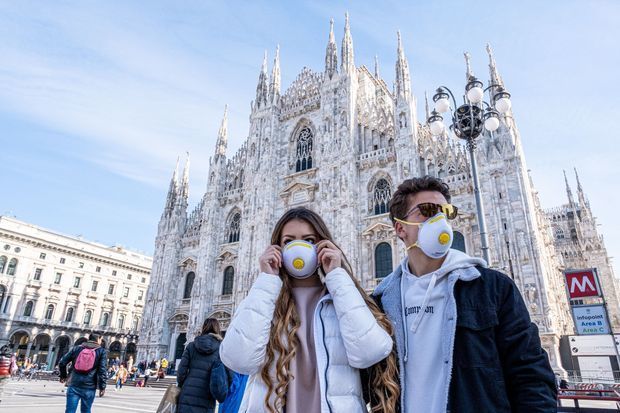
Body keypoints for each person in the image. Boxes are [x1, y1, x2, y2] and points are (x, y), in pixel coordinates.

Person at [372, 176, 557, 412]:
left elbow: (531, 374)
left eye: (446, 212)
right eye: (427, 211)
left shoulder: (493, 288)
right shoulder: (382, 300)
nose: (439, 220)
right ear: (400, 228)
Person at [220, 207, 399, 413]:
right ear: (277, 248)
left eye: (309, 240)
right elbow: (238, 359)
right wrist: (267, 281)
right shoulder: (265, 300)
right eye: (288, 241)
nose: (299, 247)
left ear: (324, 245)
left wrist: (337, 276)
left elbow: (371, 352)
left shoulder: (341, 299)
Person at [177, 318, 231, 412]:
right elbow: (229, 375)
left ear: (203, 328)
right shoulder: (222, 348)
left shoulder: (191, 346)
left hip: (187, 393)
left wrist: (184, 384)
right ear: (218, 329)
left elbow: (181, 372)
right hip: (207, 396)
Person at [58, 332, 108, 413]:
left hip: (74, 384)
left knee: (70, 411)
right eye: (101, 340)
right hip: (89, 387)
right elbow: (102, 370)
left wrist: (63, 376)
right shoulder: (101, 351)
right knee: (86, 410)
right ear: (98, 339)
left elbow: (62, 363)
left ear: (89, 339)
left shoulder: (77, 348)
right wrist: (102, 387)